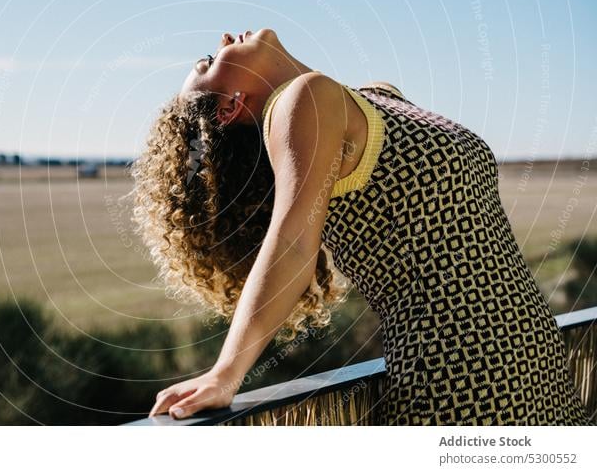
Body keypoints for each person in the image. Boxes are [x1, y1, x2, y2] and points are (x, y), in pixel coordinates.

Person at [130, 28, 592, 425]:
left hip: (537, 358)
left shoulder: (372, 95)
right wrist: (225, 371)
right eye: (209, 62)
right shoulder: (300, 102)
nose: (225, 38)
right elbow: (291, 240)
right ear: (231, 107)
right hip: (464, 372)